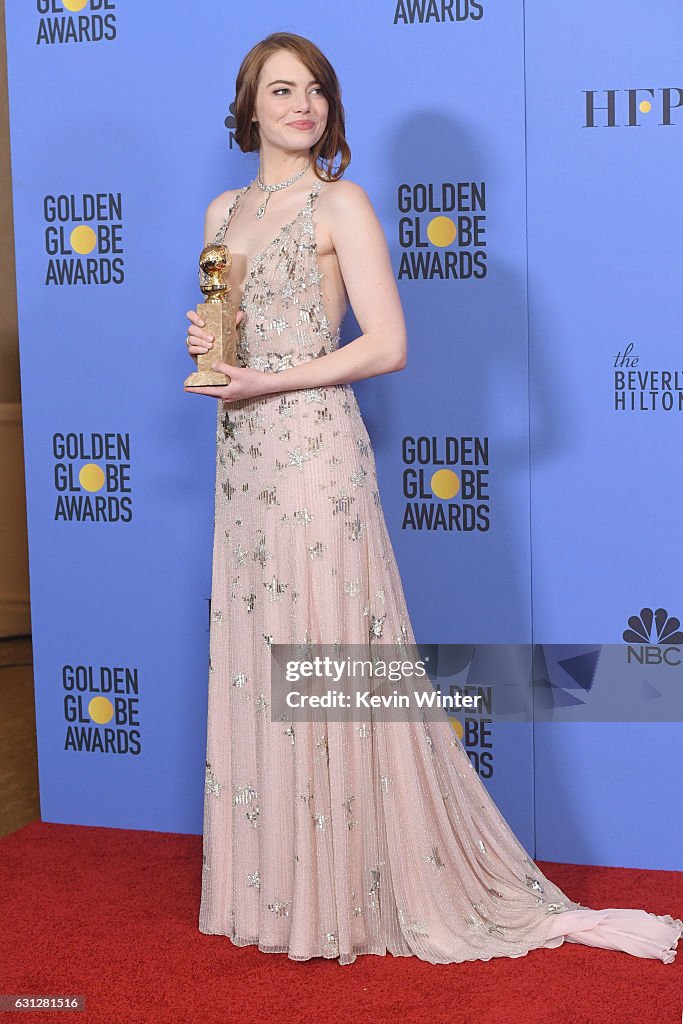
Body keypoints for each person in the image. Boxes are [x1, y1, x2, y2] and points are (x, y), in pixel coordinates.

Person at [184, 31, 682, 966]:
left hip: (315, 455)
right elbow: (229, 334)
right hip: (244, 459)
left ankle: (351, 883)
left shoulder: (344, 203)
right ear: (249, 104)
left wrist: (270, 381)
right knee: (261, 653)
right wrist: (213, 351)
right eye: (282, 90)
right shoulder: (221, 211)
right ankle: (281, 887)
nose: (303, 105)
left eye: (317, 90)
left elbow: (386, 345)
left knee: (325, 652)